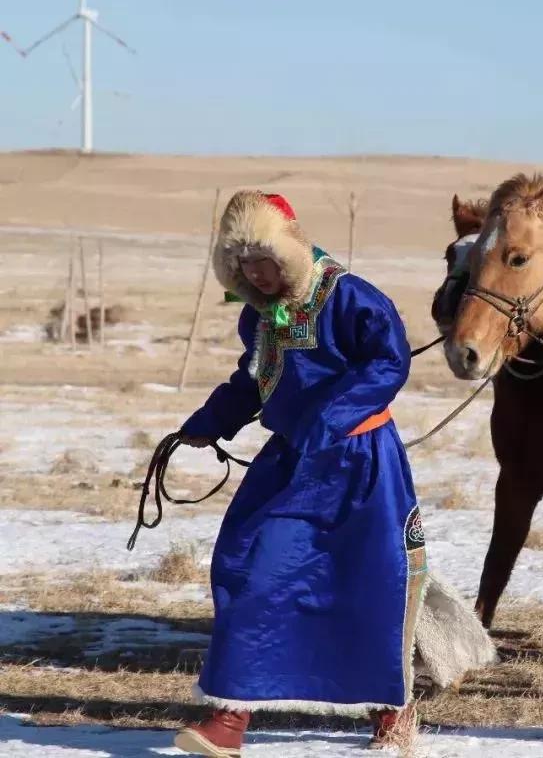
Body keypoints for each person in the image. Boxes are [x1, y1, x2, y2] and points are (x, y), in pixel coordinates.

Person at [172, 190, 427, 757]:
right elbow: (253, 380)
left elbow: (390, 361)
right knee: (250, 570)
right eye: (244, 268)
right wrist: (210, 421)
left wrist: (328, 418)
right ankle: (230, 719)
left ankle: (393, 714)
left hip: (360, 463)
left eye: (264, 263)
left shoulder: (350, 297)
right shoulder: (256, 317)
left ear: (287, 254)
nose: (257, 277)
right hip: (290, 463)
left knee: (371, 584)